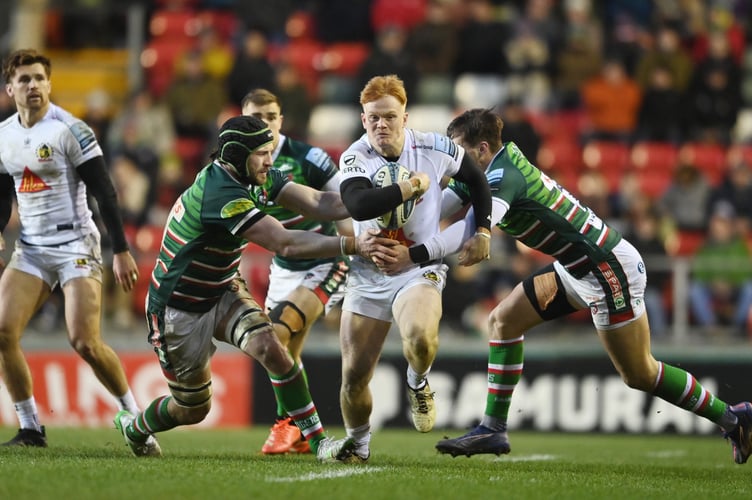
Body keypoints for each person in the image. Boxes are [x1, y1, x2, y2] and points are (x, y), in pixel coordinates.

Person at [374, 108, 752, 464]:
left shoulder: (505, 176)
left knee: (639, 373)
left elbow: (473, 227)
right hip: (575, 267)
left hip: (606, 268)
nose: (456, 160)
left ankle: (734, 418)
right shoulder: (487, 168)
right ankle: (493, 429)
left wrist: (414, 255)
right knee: (503, 321)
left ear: (483, 149)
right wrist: (393, 218)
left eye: (460, 150)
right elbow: (440, 207)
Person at [112, 114, 394, 462]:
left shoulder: (253, 175)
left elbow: (320, 204)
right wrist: (352, 245)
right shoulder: (221, 194)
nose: (270, 160)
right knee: (192, 408)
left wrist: (383, 197)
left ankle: (320, 444)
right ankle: (136, 427)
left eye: (270, 150)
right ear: (235, 155)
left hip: (222, 287)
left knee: (273, 349)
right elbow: (285, 243)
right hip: (178, 307)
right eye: (262, 152)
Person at [0, 49, 160, 454]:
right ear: (10, 88)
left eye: (39, 78)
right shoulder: (4, 135)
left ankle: (136, 421)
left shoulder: (70, 129)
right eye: (24, 79)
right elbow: (3, 192)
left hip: (75, 244)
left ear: (50, 84)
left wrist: (121, 249)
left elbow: (104, 191)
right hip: (32, 248)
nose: (33, 85)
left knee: (84, 341)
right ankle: (31, 428)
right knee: (1, 332)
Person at [337, 74, 493, 463]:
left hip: (416, 268)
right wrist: (411, 188)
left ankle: (417, 380)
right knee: (354, 376)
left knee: (421, 339)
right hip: (368, 273)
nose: (381, 125)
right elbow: (358, 206)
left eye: (389, 116)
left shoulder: (433, 146)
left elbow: (477, 180)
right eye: (373, 118)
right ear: (362, 120)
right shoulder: (355, 155)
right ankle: (358, 443)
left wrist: (485, 231)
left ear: (405, 117)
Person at [241, 88, 353, 455]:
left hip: (325, 262)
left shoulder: (308, 158)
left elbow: (345, 202)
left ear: (281, 120)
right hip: (283, 268)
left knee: (276, 333)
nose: (265, 124)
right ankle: (304, 434)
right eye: (256, 118)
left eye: (271, 117)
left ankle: (285, 424)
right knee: (285, 349)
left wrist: (357, 244)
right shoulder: (239, 164)